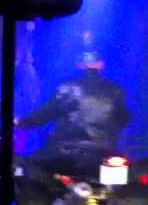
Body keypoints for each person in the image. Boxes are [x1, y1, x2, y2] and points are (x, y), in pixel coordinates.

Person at [16, 50, 130, 178]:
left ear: (79, 65)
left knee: (27, 171)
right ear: (101, 65)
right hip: (105, 152)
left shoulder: (68, 87)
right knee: (117, 183)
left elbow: (46, 113)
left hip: (67, 152)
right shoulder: (116, 90)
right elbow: (124, 118)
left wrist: (21, 122)